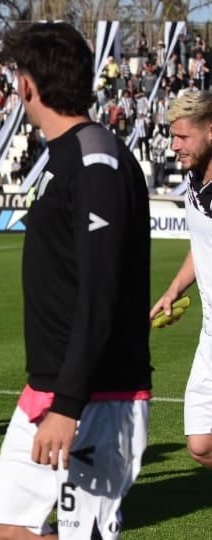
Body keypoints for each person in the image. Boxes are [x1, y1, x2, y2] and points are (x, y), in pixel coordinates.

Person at [0, 23, 152, 539]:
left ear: (27, 85)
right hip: (51, 388)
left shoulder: (95, 158)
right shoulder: (63, 155)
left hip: (96, 397)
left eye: (17, 74)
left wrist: (69, 403)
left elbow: (100, 294)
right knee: (7, 528)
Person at [150, 90, 212, 469]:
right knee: (201, 445)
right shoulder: (192, 179)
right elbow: (202, 244)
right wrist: (174, 289)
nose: (174, 146)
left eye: (182, 137)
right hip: (210, 331)